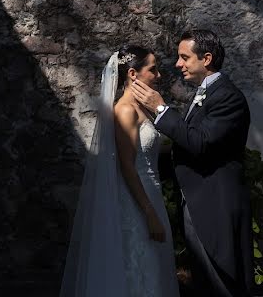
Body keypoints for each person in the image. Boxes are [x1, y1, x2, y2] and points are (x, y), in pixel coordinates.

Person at [130, 29, 253, 297]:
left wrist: (161, 109)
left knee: (222, 283)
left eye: (184, 57)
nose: (177, 64)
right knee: (206, 284)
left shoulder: (228, 97)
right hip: (197, 203)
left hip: (215, 204)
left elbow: (200, 143)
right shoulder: (206, 93)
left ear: (206, 58)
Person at [60, 46, 180, 297]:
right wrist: (148, 213)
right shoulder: (125, 110)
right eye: (153, 69)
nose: (158, 75)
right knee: (139, 269)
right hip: (137, 200)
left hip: (151, 193)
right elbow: (127, 166)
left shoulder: (144, 108)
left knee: (155, 267)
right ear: (133, 74)